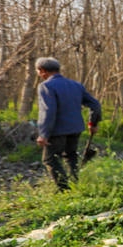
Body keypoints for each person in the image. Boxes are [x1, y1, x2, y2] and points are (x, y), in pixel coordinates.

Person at [34, 57, 103, 191]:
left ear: (42, 71)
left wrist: (43, 134)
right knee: (71, 156)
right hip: (75, 128)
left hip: (57, 131)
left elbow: (48, 111)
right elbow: (95, 104)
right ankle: (75, 184)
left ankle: (64, 189)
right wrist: (93, 123)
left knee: (49, 159)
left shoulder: (45, 86)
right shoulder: (75, 85)